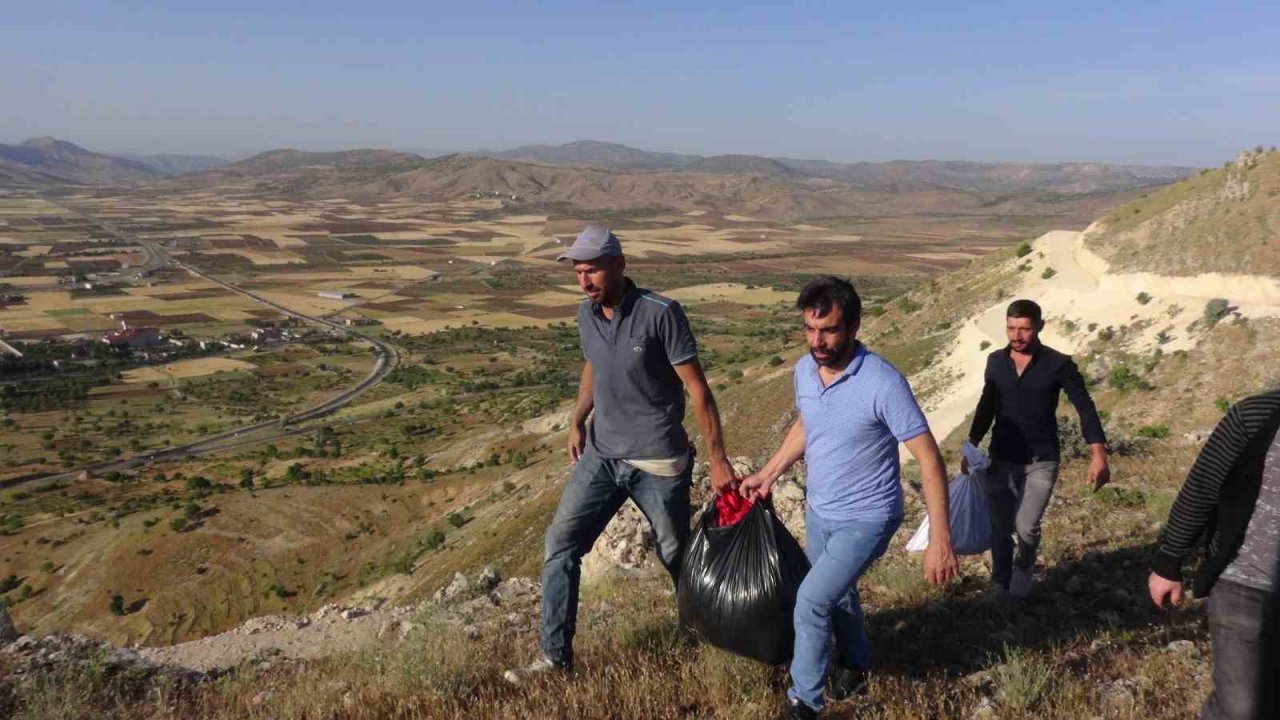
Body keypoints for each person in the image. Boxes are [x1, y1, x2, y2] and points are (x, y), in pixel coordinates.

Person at [503, 225, 736, 684]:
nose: (584, 280)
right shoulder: (586, 314)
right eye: (578, 272)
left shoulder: (661, 313)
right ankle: (554, 660)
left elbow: (698, 388)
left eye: (592, 270)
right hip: (602, 454)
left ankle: (707, 635)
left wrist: (719, 458)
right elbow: (595, 362)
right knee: (560, 546)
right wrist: (576, 419)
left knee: (676, 555)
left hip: (657, 461)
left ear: (620, 265)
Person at [740, 276, 959, 720]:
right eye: (810, 330)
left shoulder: (882, 382)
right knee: (837, 598)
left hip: (869, 516)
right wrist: (768, 473)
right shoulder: (804, 370)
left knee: (812, 600)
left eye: (829, 331)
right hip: (821, 510)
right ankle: (856, 664)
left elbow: (930, 460)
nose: (817, 342)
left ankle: (804, 701)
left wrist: (940, 538)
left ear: (854, 327)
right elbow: (808, 424)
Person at [1149, 390, 1280, 720]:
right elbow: (1202, 487)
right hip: (1244, 581)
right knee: (1241, 708)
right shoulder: (1256, 414)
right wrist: (1169, 562)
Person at [966, 299, 1110, 599]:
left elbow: (1085, 407)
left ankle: (1025, 565)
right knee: (1001, 527)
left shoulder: (1059, 364)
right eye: (1011, 328)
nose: (1017, 336)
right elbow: (987, 404)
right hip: (1001, 458)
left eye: (1025, 329)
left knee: (1027, 526)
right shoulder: (995, 361)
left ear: (1040, 327)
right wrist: (972, 443)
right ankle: (999, 583)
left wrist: (1098, 453)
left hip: (1042, 459)